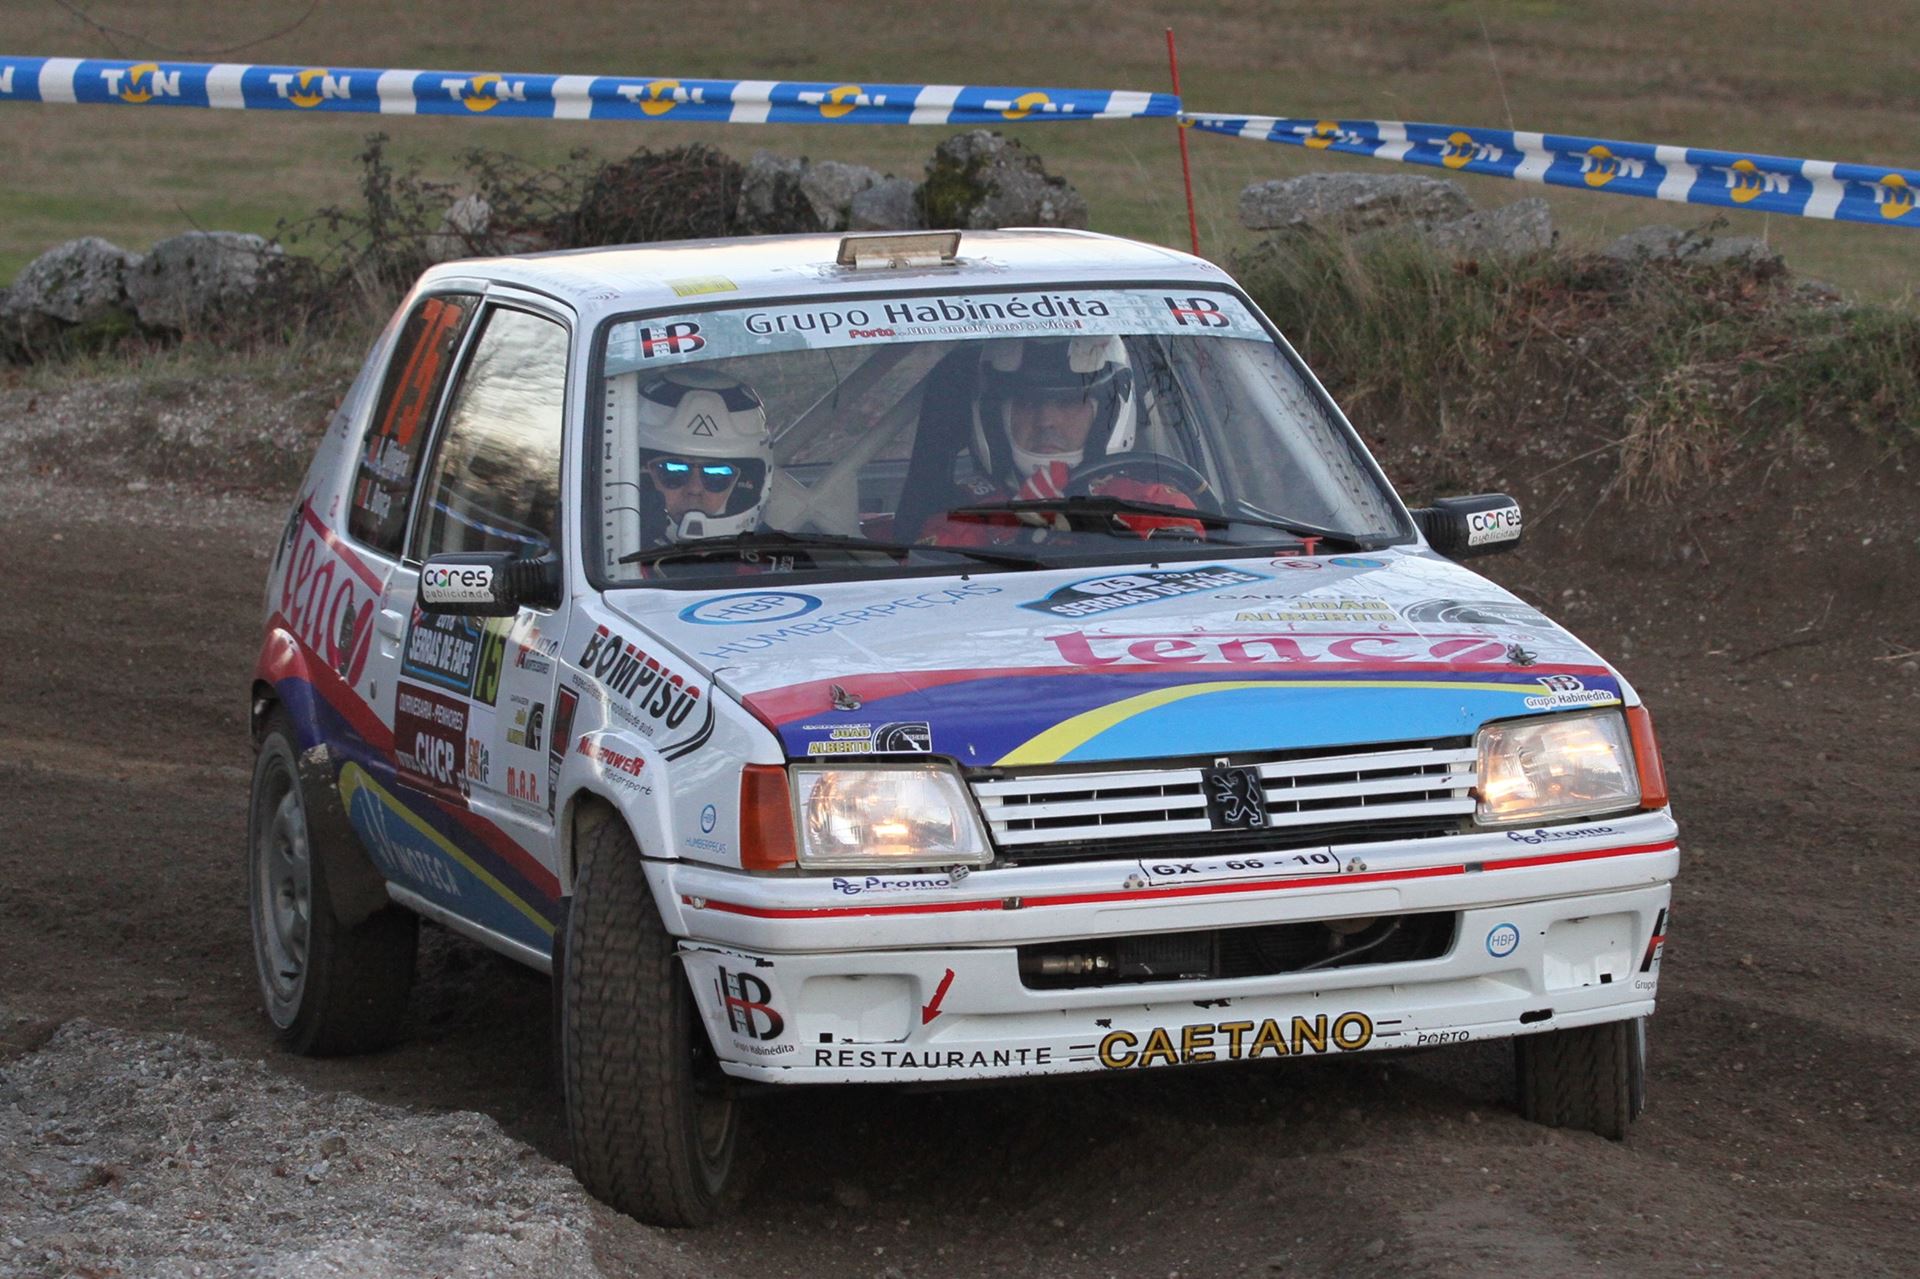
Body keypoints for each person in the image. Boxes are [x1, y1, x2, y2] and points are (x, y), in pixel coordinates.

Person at [919, 336, 1204, 545]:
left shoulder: (1152, 507)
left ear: (1109, 412)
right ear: (994, 418)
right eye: (1028, 404)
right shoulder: (964, 517)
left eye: (1069, 402)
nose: (1047, 421)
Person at [633, 368, 773, 551]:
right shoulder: (598, 554)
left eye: (717, 475)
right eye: (673, 471)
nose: (694, 489)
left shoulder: (781, 567)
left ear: (747, 482)